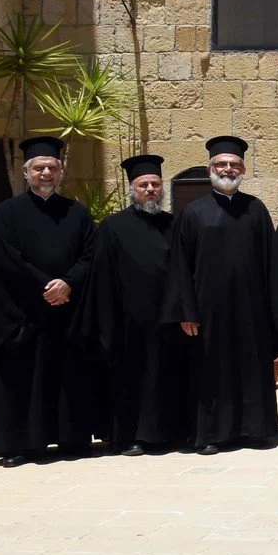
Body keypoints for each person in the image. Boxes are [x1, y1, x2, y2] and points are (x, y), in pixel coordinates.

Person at [161, 136, 278, 455]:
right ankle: (211, 435)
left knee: (251, 367)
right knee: (212, 372)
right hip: (209, 312)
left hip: (252, 310)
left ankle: (256, 429)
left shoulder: (257, 210)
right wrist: (186, 311)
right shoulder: (193, 213)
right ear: (210, 169)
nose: (228, 169)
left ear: (243, 169)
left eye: (234, 164)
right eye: (221, 164)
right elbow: (180, 266)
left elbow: (272, 263)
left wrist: (277, 311)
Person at [0, 136, 98, 466]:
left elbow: (90, 255)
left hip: (66, 312)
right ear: (26, 172)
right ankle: (21, 446)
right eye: (39, 168)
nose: (46, 173)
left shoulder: (76, 213)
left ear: (61, 171)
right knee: (24, 380)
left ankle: (70, 439)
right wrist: (47, 286)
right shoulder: (7, 212)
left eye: (52, 167)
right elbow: (9, 258)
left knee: (67, 377)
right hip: (25, 312)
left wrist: (68, 283)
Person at [76, 153, 189, 455]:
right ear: (132, 189)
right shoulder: (113, 228)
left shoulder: (173, 224)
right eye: (143, 185)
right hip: (129, 325)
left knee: (167, 377)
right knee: (133, 381)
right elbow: (101, 279)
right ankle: (133, 437)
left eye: (155, 184)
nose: (151, 189)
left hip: (167, 321)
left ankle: (169, 433)